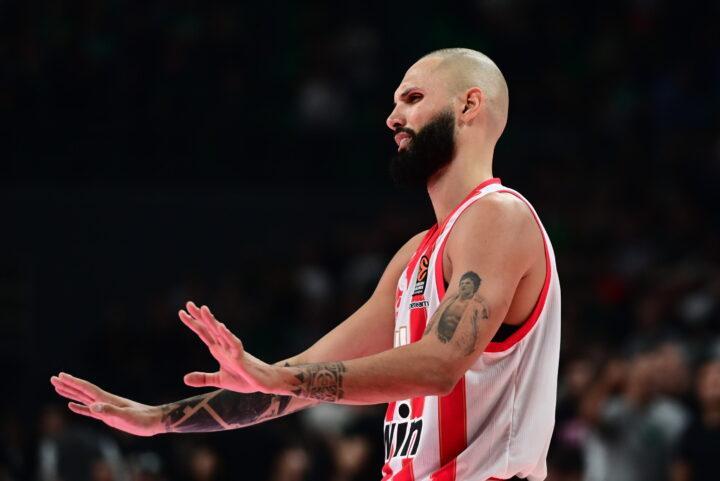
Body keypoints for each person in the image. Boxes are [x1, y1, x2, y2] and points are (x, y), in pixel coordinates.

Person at [51, 48, 561, 481]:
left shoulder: (499, 216)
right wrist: (158, 419)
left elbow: (439, 365)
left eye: (412, 98)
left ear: (468, 105)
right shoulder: (416, 255)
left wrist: (281, 381)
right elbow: (295, 377)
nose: (392, 118)